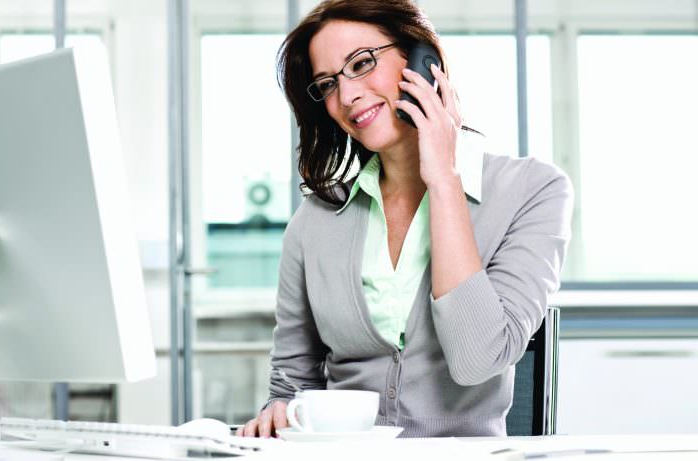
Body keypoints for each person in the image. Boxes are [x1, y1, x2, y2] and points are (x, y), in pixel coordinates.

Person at [237, 0, 573, 438]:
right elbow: (291, 383)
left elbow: (478, 360)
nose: (347, 95)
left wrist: (445, 181)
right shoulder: (316, 218)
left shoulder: (533, 189)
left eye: (361, 63)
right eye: (327, 84)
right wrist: (277, 411)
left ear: (423, 59)